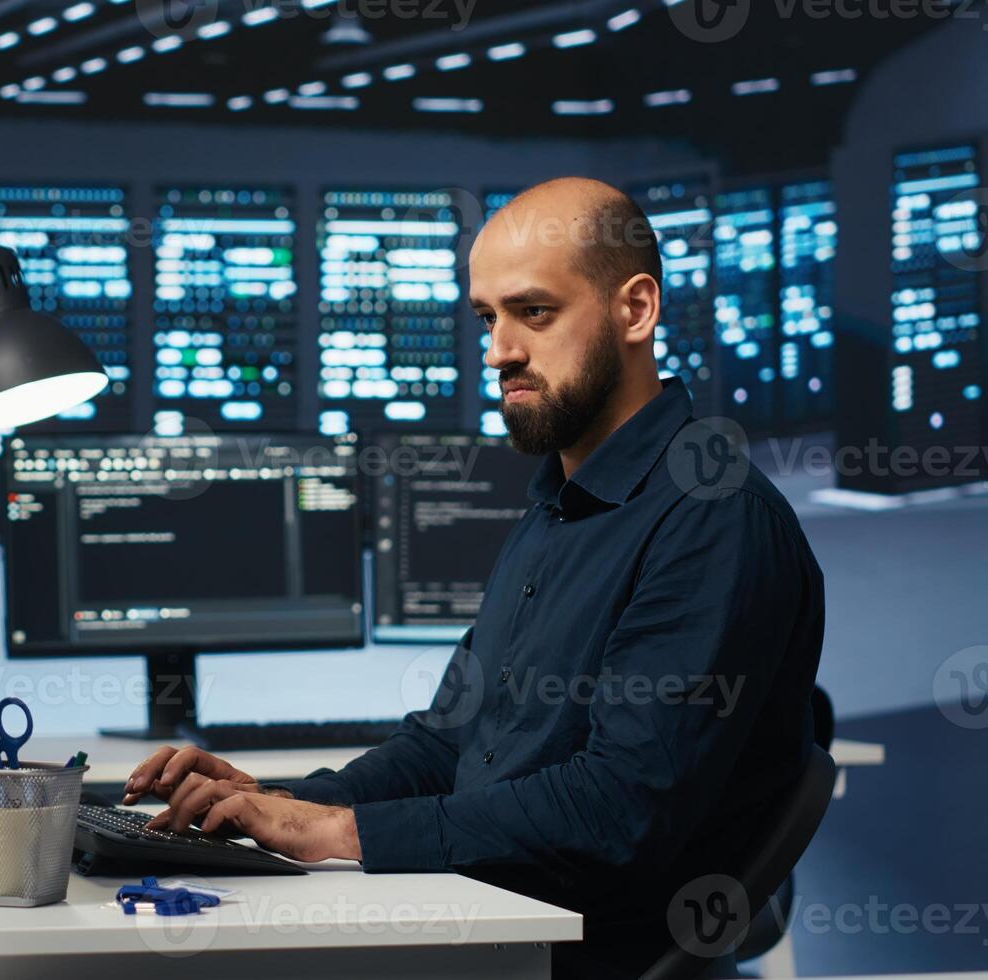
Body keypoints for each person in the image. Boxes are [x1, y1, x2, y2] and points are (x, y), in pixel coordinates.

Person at [123, 177, 825, 978]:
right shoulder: (558, 508)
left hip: (561, 960)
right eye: (487, 318)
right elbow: (449, 741)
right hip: (487, 934)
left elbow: (616, 809)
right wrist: (290, 802)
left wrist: (335, 833)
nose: (499, 352)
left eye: (534, 312)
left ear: (634, 310)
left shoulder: (712, 518)